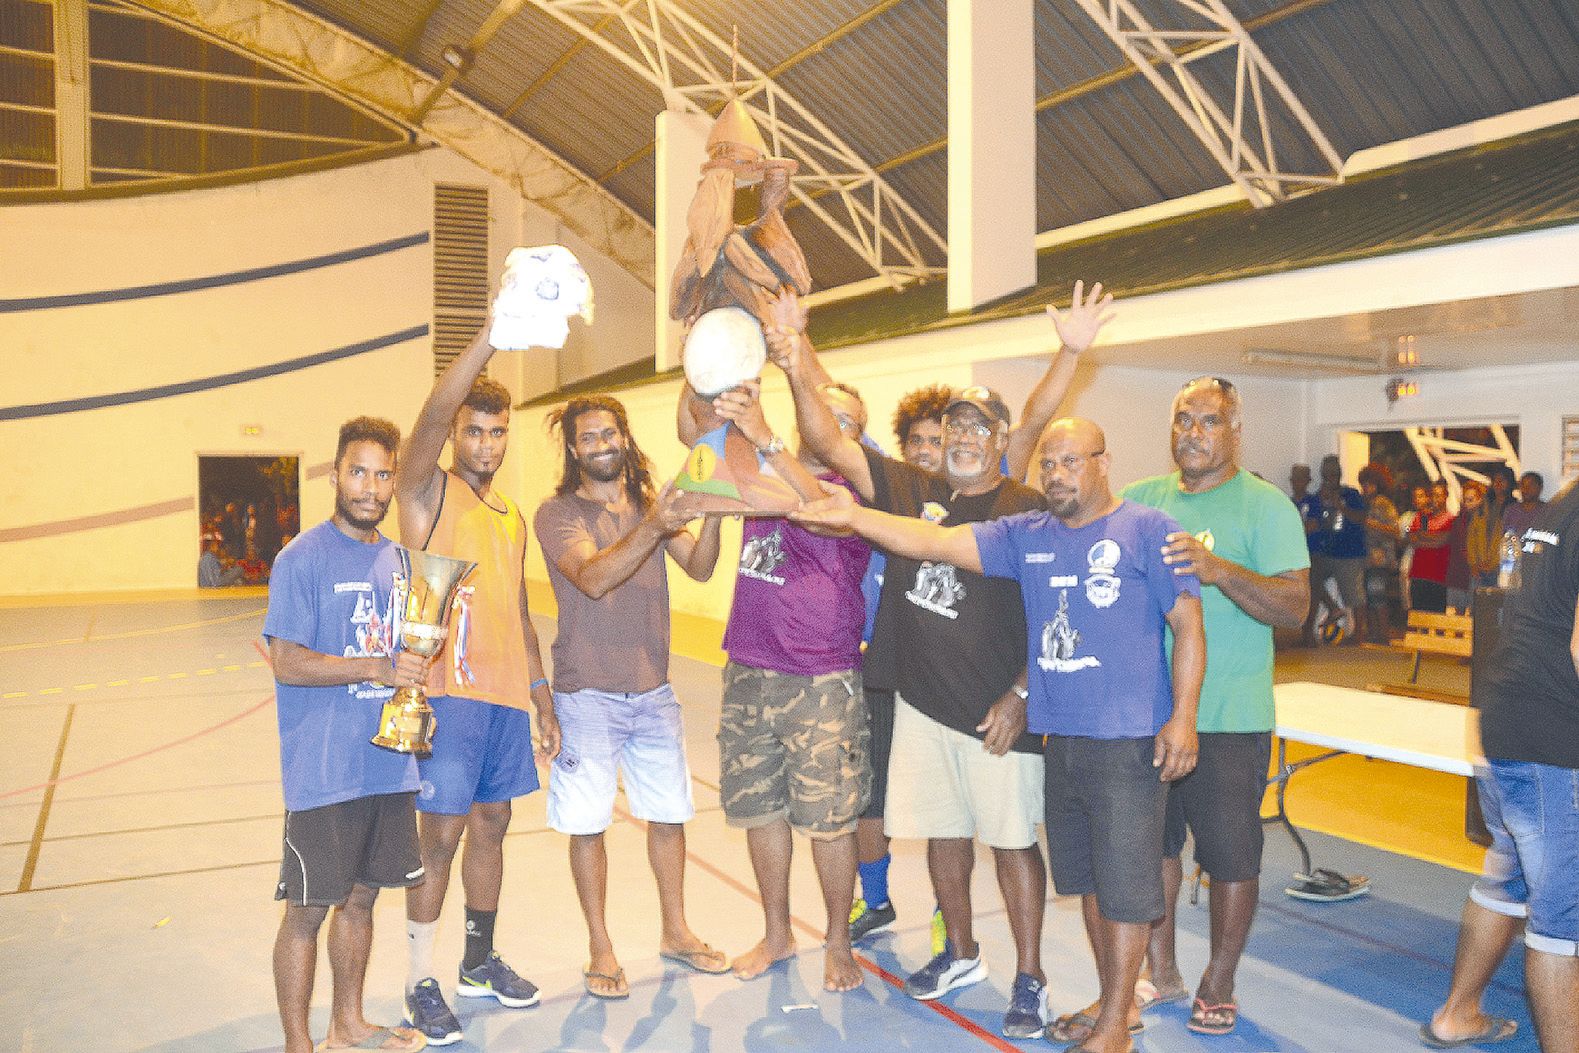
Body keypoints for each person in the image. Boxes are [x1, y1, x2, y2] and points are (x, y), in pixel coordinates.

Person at [793, 417, 1205, 1053]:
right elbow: (931, 542)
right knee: (1091, 884)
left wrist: (1183, 717)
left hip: (1127, 740)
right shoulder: (1027, 534)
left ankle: (1117, 1025)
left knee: (1125, 889)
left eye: (1072, 461)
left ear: (1103, 461)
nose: (1058, 474)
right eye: (1049, 465)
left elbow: (1188, 626)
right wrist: (852, 516)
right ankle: (1112, 1004)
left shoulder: (1150, 529)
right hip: (1060, 738)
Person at [773, 282, 1115, 1039]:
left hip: (996, 711)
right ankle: (959, 950)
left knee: (1013, 844)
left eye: (978, 426)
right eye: (954, 423)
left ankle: (1028, 975)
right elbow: (830, 443)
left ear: (999, 439)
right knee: (942, 835)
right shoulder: (914, 487)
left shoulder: (1024, 506)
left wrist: (1022, 690)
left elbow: (1063, 606)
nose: (963, 435)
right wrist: (794, 353)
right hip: (923, 706)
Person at [1121, 376, 1310, 1038]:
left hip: (1230, 718)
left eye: (1208, 421)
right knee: (1152, 848)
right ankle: (1161, 968)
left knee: (1231, 855)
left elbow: (1294, 606)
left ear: (1234, 432)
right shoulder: (1140, 500)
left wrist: (1217, 567)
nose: (1192, 432)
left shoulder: (1265, 507)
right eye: (1182, 419)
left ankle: (1218, 978)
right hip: (1148, 714)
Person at [395, 325, 561, 1046]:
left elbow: (520, 612)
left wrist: (541, 694)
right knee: (440, 839)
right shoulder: (429, 491)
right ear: (456, 433)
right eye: (474, 430)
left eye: (497, 433)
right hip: (445, 696)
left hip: (501, 701)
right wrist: (493, 337)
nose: (486, 444)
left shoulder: (511, 514)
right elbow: (431, 414)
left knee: (493, 825)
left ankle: (476, 959)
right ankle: (416, 979)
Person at [535, 394, 728, 1000]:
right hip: (585, 695)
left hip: (653, 692)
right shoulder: (558, 513)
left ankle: (675, 931)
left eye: (610, 434)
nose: (602, 445)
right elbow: (592, 579)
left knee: (669, 817)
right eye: (588, 437)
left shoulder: (648, 507)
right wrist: (657, 522)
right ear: (573, 449)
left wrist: (714, 509)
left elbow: (698, 566)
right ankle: (601, 946)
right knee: (587, 825)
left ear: (625, 438)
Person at [704, 377, 874, 992]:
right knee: (760, 809)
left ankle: (838, 941)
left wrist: (763, 432)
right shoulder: (768, 473)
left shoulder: (852, 491)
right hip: (749, 666)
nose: (829, 425)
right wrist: (720, 374)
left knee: (829, 819)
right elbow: (705, 439)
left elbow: (815, 508)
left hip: (821, 676)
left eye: (845, 421)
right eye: (821, 414)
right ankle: (777, 932)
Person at [265, 416, 427, 1053]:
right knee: (307, 909)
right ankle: (298, 1044)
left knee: (361, 900)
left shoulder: (400, 562)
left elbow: (406, 657)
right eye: (357, 471)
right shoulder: (300, 557)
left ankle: (349, 1024)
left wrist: (413, 686)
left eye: (382, 473)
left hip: (386, 765)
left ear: (393, 482)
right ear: (336, 475)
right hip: (324, 770)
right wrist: (374, 667)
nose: (369, 485)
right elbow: (289, 661)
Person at [1422, 478, 1579, 1052]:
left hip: (1507, 715)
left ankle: (1458, 1013)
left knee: (1508, 874)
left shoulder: (1563, 502)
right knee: (1565, 921)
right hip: (1554, 738)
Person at [1299, 454, 1366, 644]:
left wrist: (1340, 506)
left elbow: (1361, 518)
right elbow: (1314, 522)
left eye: (1335, 473)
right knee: (1312, 584)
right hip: (1325, 552)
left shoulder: (1351, 494)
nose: (1332, 477)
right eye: (1328, 473)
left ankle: (1358, 635)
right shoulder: (1317, 497)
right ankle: (1311, 630)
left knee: (1353, 594)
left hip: (1349, 553)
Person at [1359, 464, 1400, 643]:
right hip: (1368, 557)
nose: (1365, 488)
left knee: (1377, 594)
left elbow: (1394, 530)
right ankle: (1375, 632)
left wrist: (1370, 523)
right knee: (1371, 595)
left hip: (1380, 557)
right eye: (1364, 484)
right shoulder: (1366, 503)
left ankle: (1383, 633)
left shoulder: (1383, 503)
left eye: (1369, 484)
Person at [1402, 483, 1454, 614]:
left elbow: (1442, 541)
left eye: (1438, 495)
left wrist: (1422, 536)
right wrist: (1432, 537)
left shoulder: (1451, 519)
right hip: (1418, 574)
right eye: (1432, 495)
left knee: (1437, 617)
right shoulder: (1421, 517)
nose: (1434, 499)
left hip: (1438, 576)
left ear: (1446, 496)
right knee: (1418, 614)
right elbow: (1411, 538)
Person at [1501, 471, 1547, 539]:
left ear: (1540, 488)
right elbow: (1504, 537)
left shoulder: (1547, 511)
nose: (1526, 489)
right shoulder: (1511, 510)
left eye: (1531, 485)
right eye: (1523, 485)